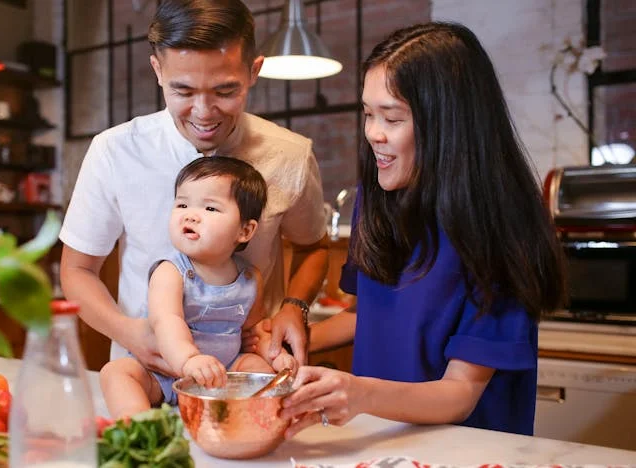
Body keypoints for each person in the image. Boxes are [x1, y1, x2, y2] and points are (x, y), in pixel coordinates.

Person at [279, 22, 567, 437]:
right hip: (380, 443)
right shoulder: (376, 200)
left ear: (449, 125)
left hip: (468, 452)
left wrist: (358, 393)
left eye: (391, 118)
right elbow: (370, 316)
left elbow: (460, 393)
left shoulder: (504, 227)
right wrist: (291, 340)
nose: (373, 133)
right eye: (368, 114)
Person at [59, 0, 329, 376]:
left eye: (225, 91)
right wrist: (130, 333)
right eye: (183, 91)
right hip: (144, 373)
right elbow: (77, 270)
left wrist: (294, 306)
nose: (203, 112)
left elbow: (313, 247)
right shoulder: (115, 150)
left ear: (253, 71)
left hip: (248, 374)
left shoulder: (289, 155)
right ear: (158, 71)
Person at [100, 157, 297, 418]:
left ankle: (247, 418)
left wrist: (274, 355)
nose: (190, 215)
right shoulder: (171, 271)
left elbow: (253, 332)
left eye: (210, 208)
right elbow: (166, 321)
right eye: (182, 204)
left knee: (258, 369)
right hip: (164, 372)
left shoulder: (250, 278)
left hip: (223, 374)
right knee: (117, 372)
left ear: (245, 231)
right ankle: (137, 421)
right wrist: (189, 360)